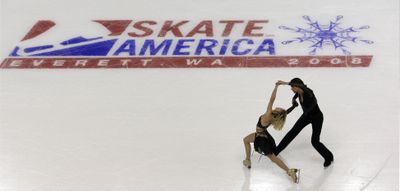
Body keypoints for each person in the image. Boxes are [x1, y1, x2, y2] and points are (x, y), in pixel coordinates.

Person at [243, 81, 299, 183]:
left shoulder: (269, 114)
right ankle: (248, 160)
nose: (276, 107)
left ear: (276, 112)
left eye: (277, 108)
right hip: (264, 135)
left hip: (260, 138)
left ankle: (289, 171)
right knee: (247, 140)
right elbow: (285, 113)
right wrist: (293, 107)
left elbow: (272, 99)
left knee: (272, 157)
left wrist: (276, 86)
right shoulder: (275, 118)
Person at [274, 78, 334, 167]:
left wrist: (285, 83)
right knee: (292, 132)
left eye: (292, 87)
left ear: (298, 86)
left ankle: (329, 157)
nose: (291, 89)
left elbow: (307, 106)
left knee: (315, 141)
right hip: (306, 117)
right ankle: (276, 150)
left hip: (317, 118)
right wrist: (293, 100)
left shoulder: (309, 94)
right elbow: (296, 94)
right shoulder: (298, 92)